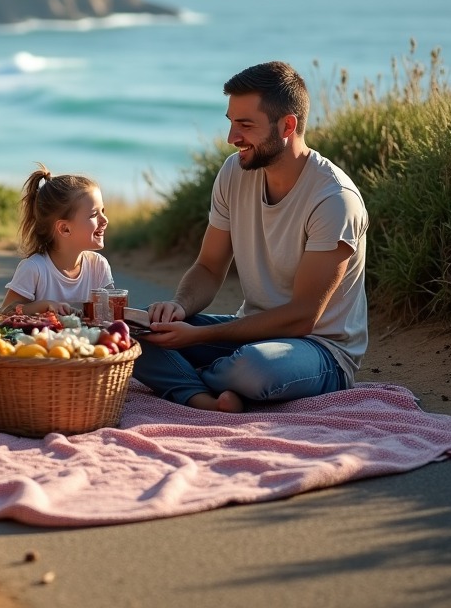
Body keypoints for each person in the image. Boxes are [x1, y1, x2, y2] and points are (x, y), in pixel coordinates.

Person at [134, 61, 368, 413]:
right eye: (231, 122)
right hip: (248, 333)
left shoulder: (334, 200)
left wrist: (199, 337)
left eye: (245, 125)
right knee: (134, 330)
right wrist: (180, 307)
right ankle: (208, 396)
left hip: (319, 350)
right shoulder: (234, 172)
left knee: (254, 368)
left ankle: (190, 383)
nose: (232, 138)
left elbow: (302, 317)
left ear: (287, 125)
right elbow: (209, 267)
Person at [0, 164, 113, 316]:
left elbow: (111, 314)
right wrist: (43, 306)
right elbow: (3, 314)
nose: (105, 220)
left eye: (103, 211)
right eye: (94, 215)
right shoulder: (34, 269)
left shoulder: (98, 266)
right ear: (65, 229)